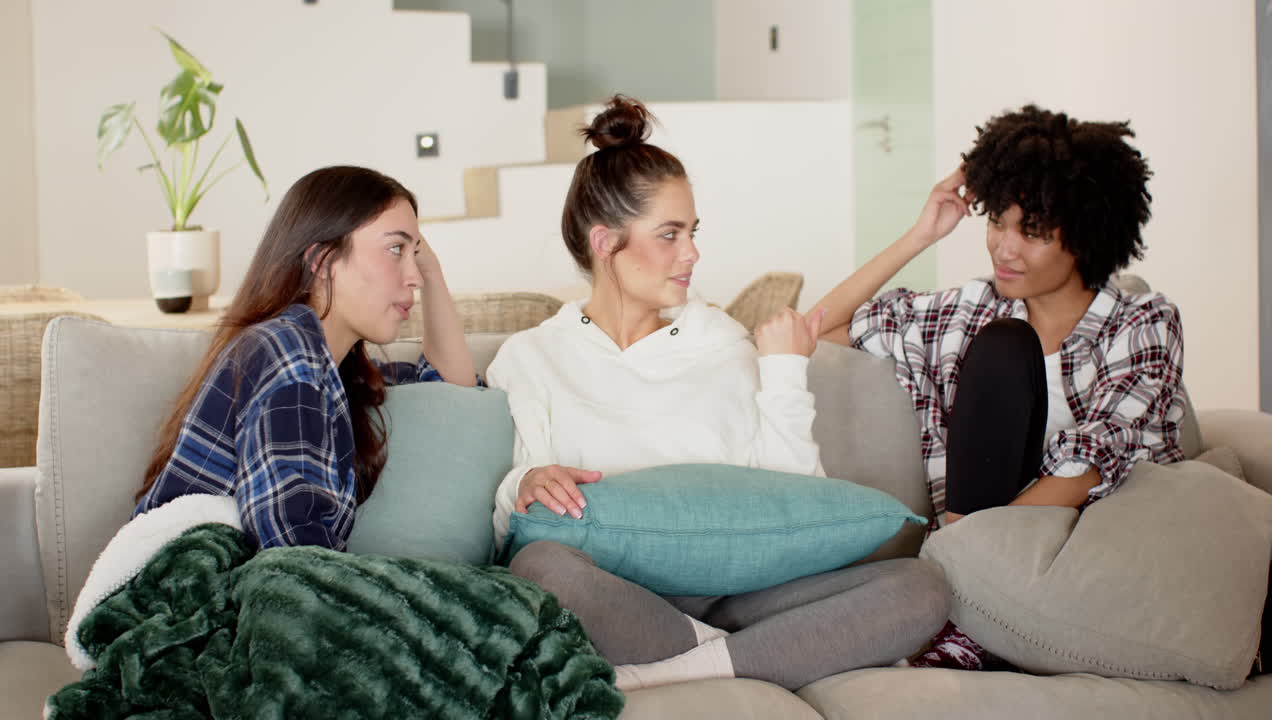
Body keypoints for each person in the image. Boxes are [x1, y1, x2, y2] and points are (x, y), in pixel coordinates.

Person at [486, 95, 948, 692]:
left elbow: (794, 499)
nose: (693, 254)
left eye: (693, 232)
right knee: (541, 568)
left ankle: (682, 668)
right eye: (670, 234)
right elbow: (507, 523)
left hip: (741, 597)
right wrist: (521, 486)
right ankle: (759, 660)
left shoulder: (721, 342)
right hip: (616, 601)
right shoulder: (531, 358)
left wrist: (784, 374)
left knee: (921, 587)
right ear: (605, 243)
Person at [808, 104, 1187, 669]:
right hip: (977, 561)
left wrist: (967, 559)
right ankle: (973, 624)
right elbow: (817, 329)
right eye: (997, 223)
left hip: (1094, 550)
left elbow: (1094, 458)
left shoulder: (1142, 322)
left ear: (1084, 233)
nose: (1004, 249)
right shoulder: (971, 312)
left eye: (1032, 232)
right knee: (1006, 345)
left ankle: (974, 619)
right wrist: (921, 235)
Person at [135, 165, 478, 551]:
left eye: (415, 255)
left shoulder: (334, 369)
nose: (412, 275)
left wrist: (432, 272)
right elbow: (292, 544)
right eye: (395, 250)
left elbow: (454, 393)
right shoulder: (285, 353)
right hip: (188, 583)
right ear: (323, 260)